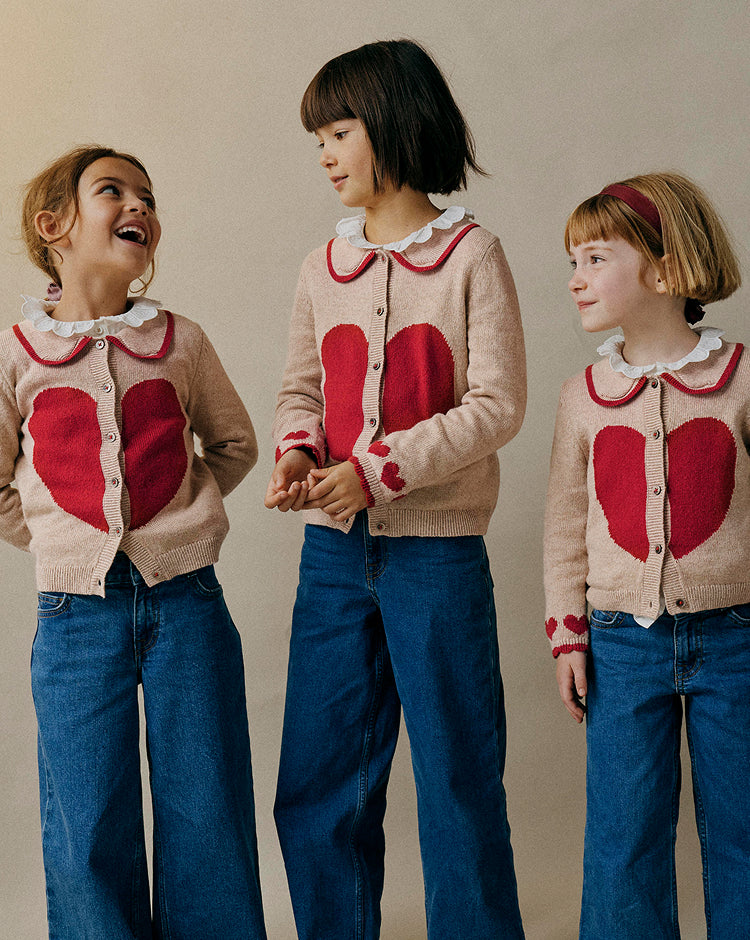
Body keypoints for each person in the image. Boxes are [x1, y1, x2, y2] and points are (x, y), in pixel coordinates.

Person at [265, 39, 526, 940]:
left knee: (458, 780)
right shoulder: (318, 269)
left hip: (439, 558)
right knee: (318, 783)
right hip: (333, 560)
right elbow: (302, 389)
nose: (327, 154)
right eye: (320, 140)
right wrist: (300, 455)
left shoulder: (471, 258)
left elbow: (497, 405)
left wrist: (376, 471)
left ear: (394, 122)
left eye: (339, 131)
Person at [6, 145, 267, 938]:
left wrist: (180, 521)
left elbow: (233, 444)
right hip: (75, 615)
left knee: (208, 803)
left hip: (186, 604)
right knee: (87, 815)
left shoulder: (179, 340)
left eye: (148, 197)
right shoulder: (19, 352)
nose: (139, 207)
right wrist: (57, 540)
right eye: (113, 191)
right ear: (55, 226)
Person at [545, 172, 748, 939]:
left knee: (742, 832)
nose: (575, 278)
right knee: (624, 839)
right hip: (620, 645)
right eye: (573, 261)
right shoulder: (583, 396)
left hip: (738, 638)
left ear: (665, 270)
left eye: (595, 258)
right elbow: (566, 527)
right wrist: (568, 633)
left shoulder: (741, 383)